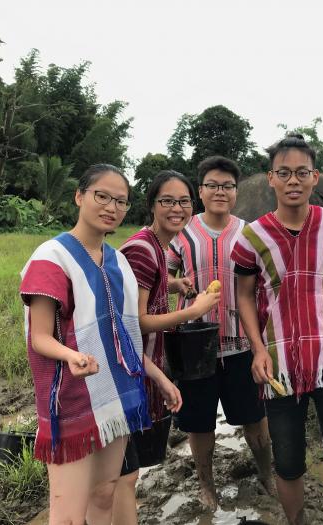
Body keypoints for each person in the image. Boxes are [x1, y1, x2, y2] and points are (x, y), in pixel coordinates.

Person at [20, 164, 179, 525]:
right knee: (68, 515)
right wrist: (70, 354)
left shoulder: (118, 261)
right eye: (101, 196)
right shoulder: (51, 257)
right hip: (73, 401)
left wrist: (159, 378)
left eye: (120, 201)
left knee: (105, 496)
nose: (111, 207)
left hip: (115, 396)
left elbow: (125, 338)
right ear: (80, 196)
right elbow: (40, 336)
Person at [232, 133, 323, 525]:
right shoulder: (251, 237)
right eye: (284, 173)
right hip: (279, 369)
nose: (293, 180)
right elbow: (244, 296)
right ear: (271, 179)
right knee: (289, 463)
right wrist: (257, 349)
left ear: (315, 178)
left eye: (301, 173)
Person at [165, 156, 273, 509]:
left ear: (236, 192)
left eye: (227, 186)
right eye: (212, 185)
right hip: (195, 346)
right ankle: (206, 485)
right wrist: (176, 283)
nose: (220, 191)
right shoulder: (182, 234)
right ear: (200, 191)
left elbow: (268, 281)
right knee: (199, 424)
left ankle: (266, 474)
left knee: (255, 418)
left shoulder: (250, 233)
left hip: (242, 343)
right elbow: (157, 275)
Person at [113, 170, 221, 523]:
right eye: (167, 201)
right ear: (151, 205)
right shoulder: (144, 251)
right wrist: (194, 310)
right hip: (128, 374)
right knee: (120, 476)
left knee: (123, 474)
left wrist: (173, 286)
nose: (177, 208)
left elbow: (139, 295)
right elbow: (137, 322)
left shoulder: (157, 246)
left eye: (184, 201)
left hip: (141, 367)